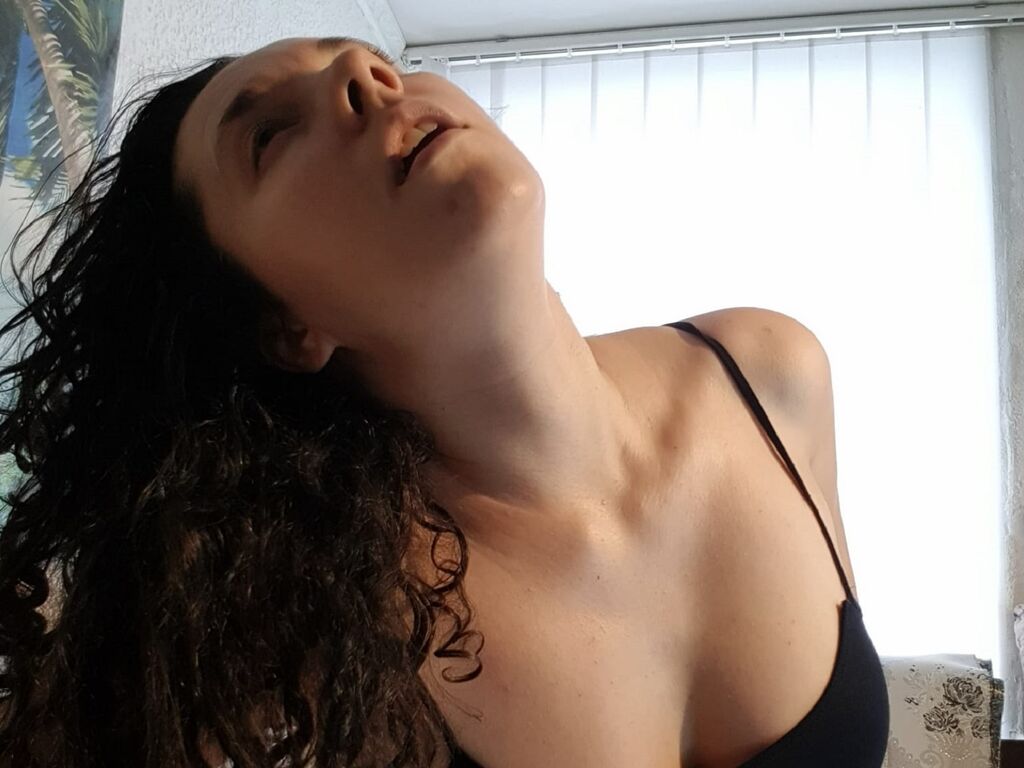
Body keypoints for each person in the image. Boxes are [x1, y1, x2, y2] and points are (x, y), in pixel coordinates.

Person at [0, 35, 889, 768]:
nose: (362, 74)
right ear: (287, 328)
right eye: (270, 136)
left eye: (368, 55)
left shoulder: (772, 373)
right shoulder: (314, 631)